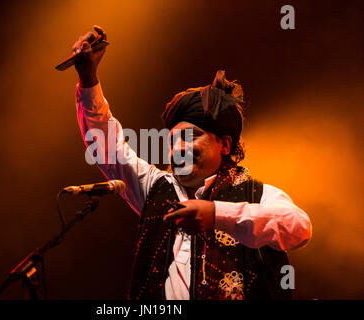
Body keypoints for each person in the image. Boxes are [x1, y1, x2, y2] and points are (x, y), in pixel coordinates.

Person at [71, 26, 312, 300]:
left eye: (192, 137)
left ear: (225, 145)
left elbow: (299, 227)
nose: (179, 148)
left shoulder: (258, 195)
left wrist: (217, 215)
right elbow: (107, 147)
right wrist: (88, 80)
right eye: (173, 140)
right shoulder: (156, 189)